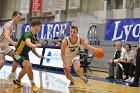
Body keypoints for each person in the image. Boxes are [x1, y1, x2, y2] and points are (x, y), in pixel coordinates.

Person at [13, 19, 44, 92]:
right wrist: (35, 45)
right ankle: (33, 84)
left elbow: (31, 47)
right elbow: (28, 43)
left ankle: (18, 80)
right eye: (39, 27)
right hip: (18, 54)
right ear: (35, 26)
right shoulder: (28, 34)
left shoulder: (35, 35)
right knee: (29, 65)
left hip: (25, 54)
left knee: (25, 70)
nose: (40, 28)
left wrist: (38, 55)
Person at [0, 11, 22, 80]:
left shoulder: (14, 26)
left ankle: (12, 74)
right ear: (13, 17)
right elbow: (6, 35)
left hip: (5, 45)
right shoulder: (8, 25)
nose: (20, 19)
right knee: (2, 61)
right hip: (0, 44)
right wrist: (13, 43)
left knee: (17, 57)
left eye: (20, 17)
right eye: (18, 17)